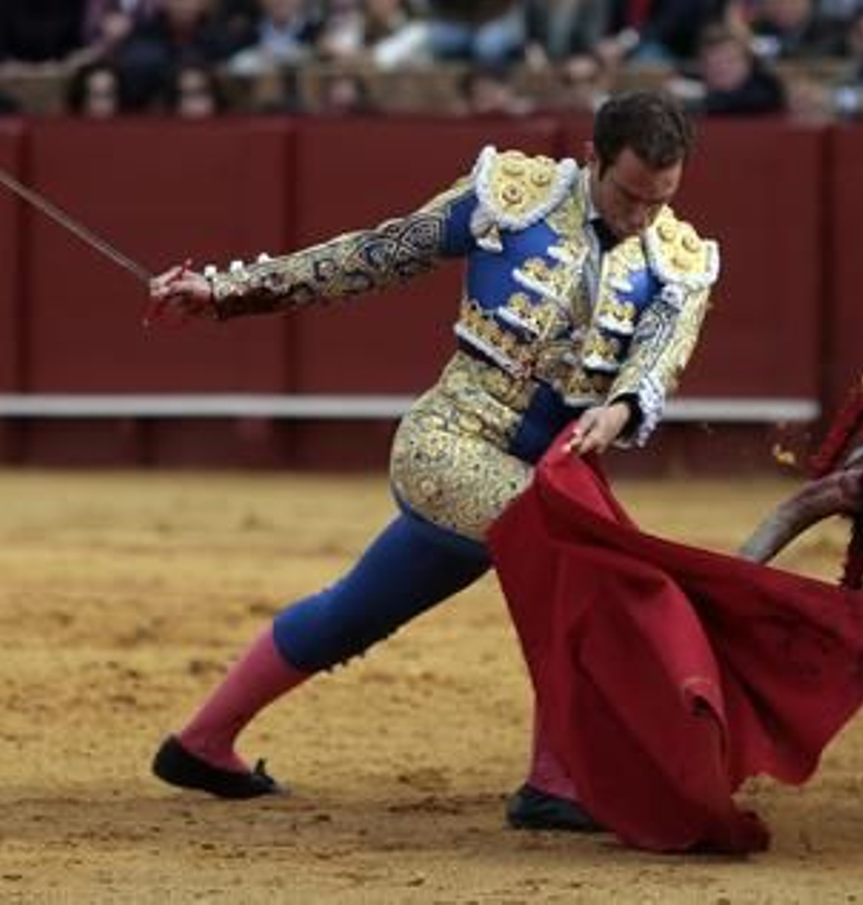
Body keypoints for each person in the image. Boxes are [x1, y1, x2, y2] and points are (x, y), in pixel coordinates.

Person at [146, 91, 719, 834]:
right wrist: (224, 291)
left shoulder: (679, 262)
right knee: (574, 555)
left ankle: (200, 743)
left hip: (549, 473)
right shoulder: (512, 199)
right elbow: (374, 254)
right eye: (628, 194)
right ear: (593, 159)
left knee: (358, 609)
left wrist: (619, 409)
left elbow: (657, 360)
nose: (641, 215)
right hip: (448, 445)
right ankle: (554, 779)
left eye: (660, 200)